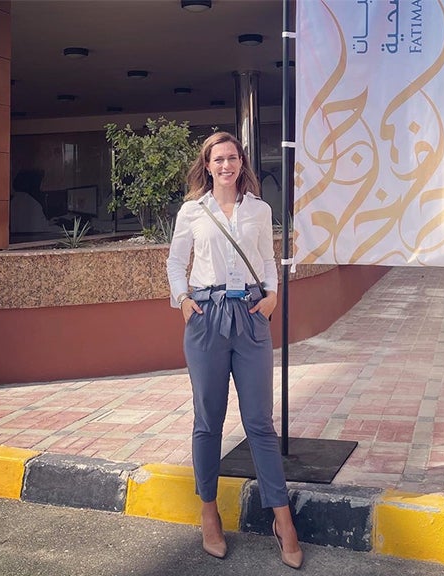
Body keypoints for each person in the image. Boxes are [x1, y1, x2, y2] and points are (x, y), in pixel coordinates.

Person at [166, 132, 303, 569]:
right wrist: (183, 301)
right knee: (208, 421)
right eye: (218, 159)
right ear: (206, 166)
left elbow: (266, 259)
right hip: (206, 317)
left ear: (242, 164)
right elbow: (175, 261)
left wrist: (271, 298)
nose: (226, 165)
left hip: (249, 315)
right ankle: (209, 512)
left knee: (260, 423)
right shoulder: (192, 211)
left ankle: (283, 519)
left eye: (233, 158)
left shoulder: (259, 210)